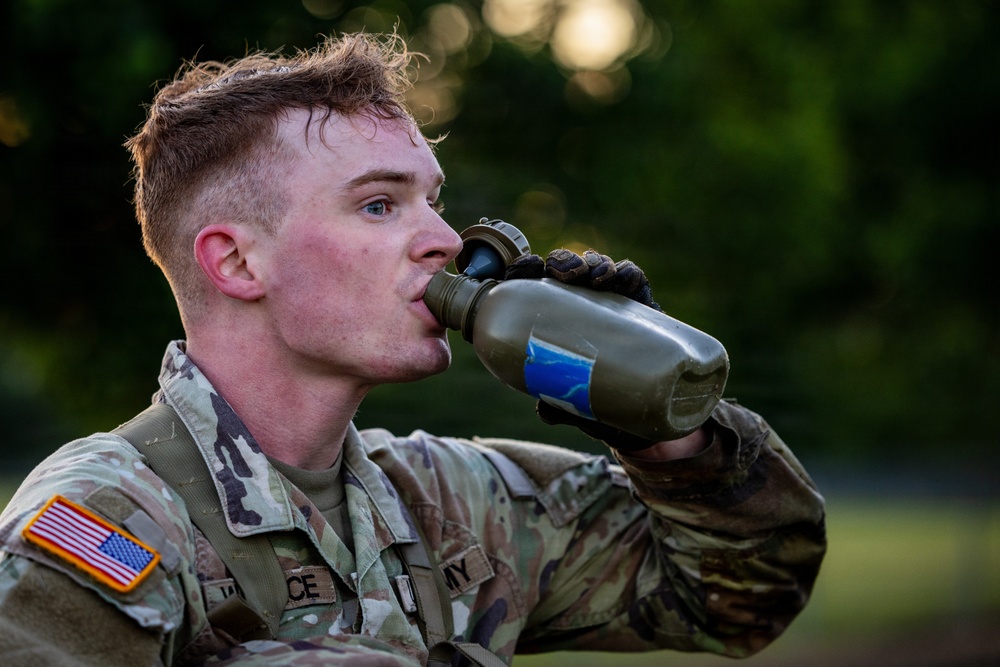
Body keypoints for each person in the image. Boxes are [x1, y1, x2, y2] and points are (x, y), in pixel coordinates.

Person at [0, 33, 826, 666]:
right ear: (238, 261)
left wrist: (662, 425)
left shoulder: (446, 501)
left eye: (431, 200)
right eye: (377, 206)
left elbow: (741, 597)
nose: (440, 239)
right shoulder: (106, 524)